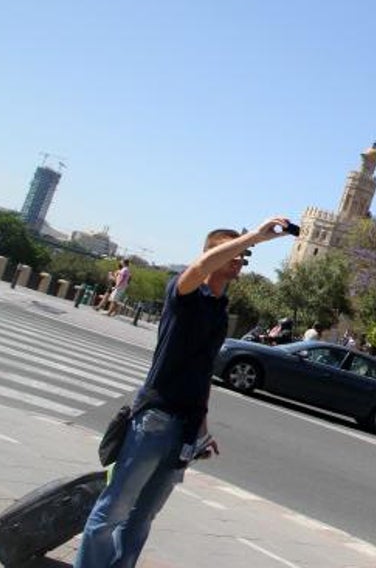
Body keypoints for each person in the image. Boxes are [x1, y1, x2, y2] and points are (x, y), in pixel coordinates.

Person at [74, 217, 294, 567]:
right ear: (212, 254)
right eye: (231, 251)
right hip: (155, 418)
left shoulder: (220, 311)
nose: (239, 259)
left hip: (186, 427)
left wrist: (203, 430)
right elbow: (200, 267)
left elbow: (203, 371)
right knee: (114, 509)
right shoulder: (184, 293)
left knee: (142, 517)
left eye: (242, 255)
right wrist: (255, 236)